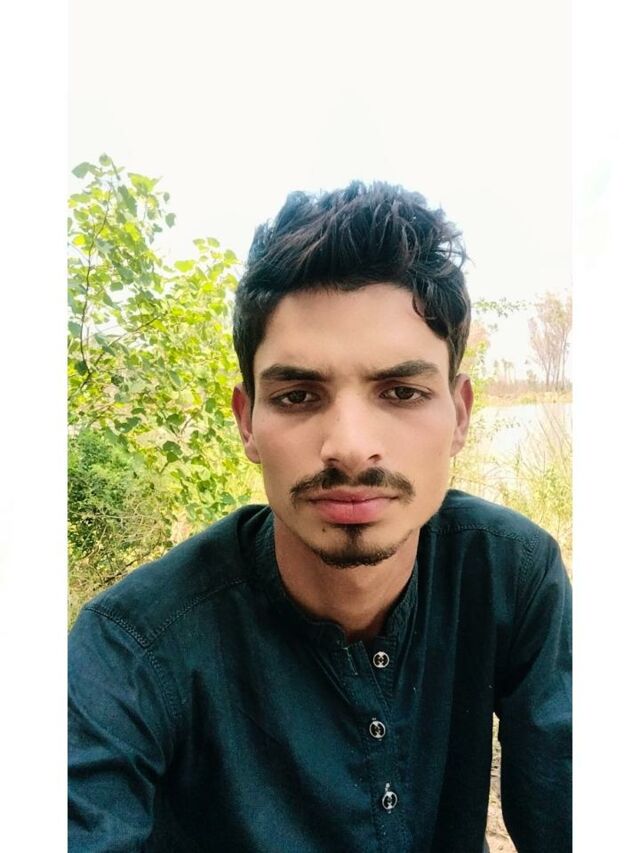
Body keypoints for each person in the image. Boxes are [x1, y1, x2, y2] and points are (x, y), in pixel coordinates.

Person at [68, 182, 572, 852]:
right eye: (299, 395)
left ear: (459, 415)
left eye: (401, 391)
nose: (350, 446)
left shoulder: (511, 574)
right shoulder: (133, 651)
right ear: (248, 421)